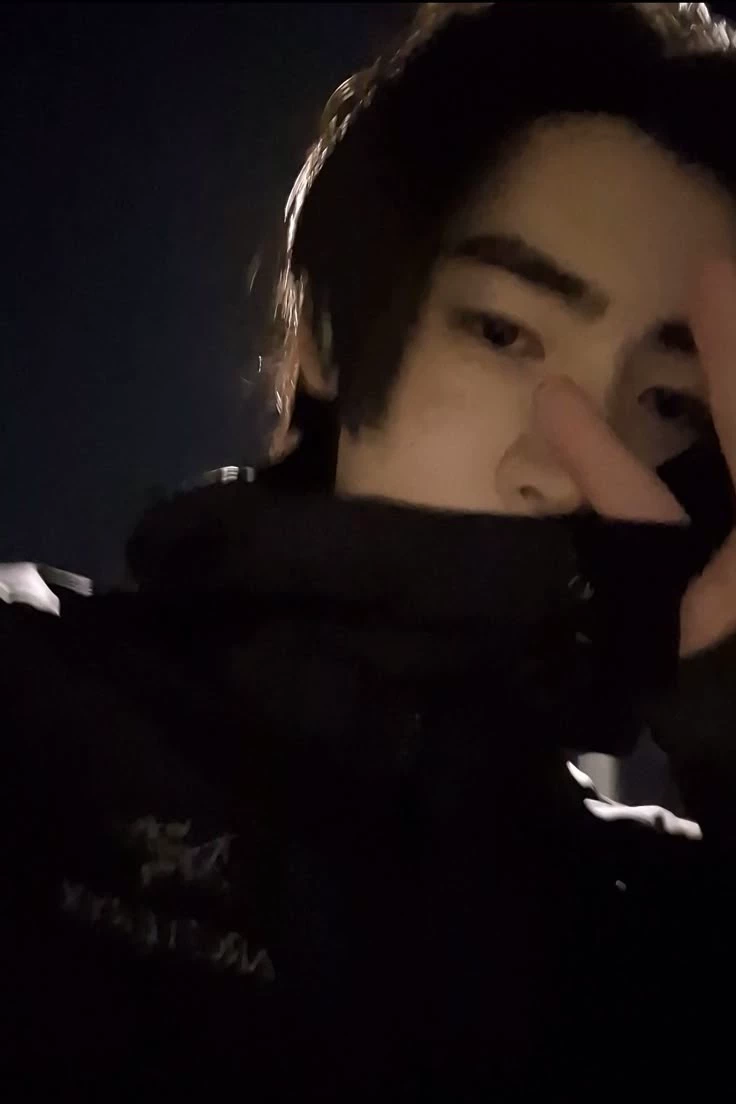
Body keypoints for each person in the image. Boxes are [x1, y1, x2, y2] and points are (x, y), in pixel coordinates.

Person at [4, 1, 736, 1090]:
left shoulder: (656, 932)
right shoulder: (33, 719)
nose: (570, 461)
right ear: (332, 337)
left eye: (669, 400)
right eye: (502, 332)